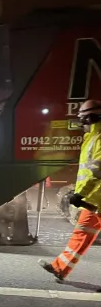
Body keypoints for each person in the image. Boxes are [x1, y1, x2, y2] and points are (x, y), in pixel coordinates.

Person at [39, 99, 101, 281]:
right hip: (94, 199)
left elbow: (98, 170)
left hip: (93, 197)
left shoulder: (99, 138)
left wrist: (81, 194)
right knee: (81, 233)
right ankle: (60, 268)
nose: (81, 123)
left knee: (82, 233)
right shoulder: (92, 138)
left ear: (92, 118)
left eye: (83, 118)